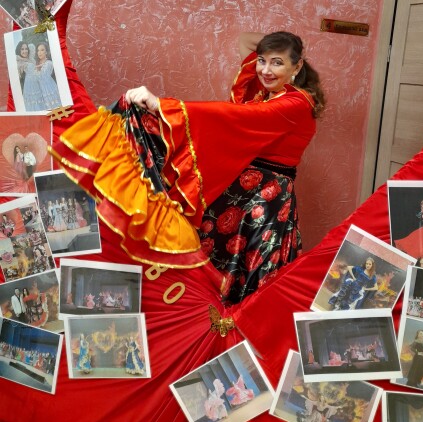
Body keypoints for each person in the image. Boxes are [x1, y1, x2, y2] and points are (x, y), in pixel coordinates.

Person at [49, 31, 325, 304]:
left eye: (277, 63)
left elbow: (238, 115)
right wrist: (282, 49)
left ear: (297, 66)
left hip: (264, 201)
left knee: (249, 283)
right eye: (262, 60)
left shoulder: (296, 103)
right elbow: (246, 43)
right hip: (240, 196)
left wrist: (161, 106)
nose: (265, 70)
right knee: (215, 274)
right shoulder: (270, 94)